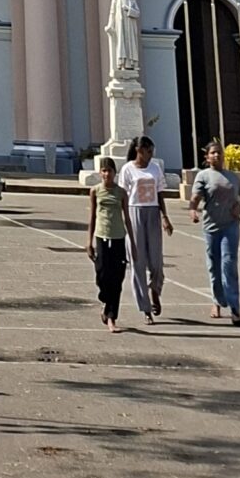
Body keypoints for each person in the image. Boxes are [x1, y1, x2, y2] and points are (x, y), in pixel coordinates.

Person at [191, 139, 240, 326]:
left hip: (230, 226)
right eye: (213, 153)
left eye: (219, 152)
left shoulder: (232, 177)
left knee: (229, 264)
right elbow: (195, 198)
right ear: (207, 157)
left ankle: (235, 309)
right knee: (214, 266)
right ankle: (217, 300)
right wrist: (193, 210)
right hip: (211, 227)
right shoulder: (204, 176)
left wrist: (239, 206)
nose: (217, 155)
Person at [121, 132, 173, 321]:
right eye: (148, 151)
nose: (150, 154)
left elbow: (160, 194)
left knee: (156, 261)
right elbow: (123, 196)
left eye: (152, 151)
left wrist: (165, 216)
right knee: (138, 261)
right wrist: (124, 220)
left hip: (152, 213)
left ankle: (155, 290)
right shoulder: (128, 170)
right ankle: (145, 308)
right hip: (134, 213)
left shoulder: (155, 168)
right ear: (139, 151)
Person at [86, 157, 129, 331]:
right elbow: (92, 217)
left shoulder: (121, 192)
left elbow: (127, 218)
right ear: (100, 173)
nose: (106, 174)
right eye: (103, 171)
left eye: (109, 171)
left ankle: (111, 317)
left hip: (118, 237)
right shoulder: (95, 191)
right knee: (102, 273)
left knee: (117, 278)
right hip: (102, 236)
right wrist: (88, 242)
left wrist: (133, 243)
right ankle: (104, 298)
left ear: (114, 173)